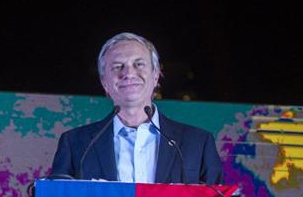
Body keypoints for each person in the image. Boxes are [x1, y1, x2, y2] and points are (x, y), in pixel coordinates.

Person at [50, 32, 223, 184]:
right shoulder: (76, 145)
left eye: (139, 64)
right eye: (117, 66)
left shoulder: (198, 143)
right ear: (104, 82)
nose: (128, 73)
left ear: (156, 76)